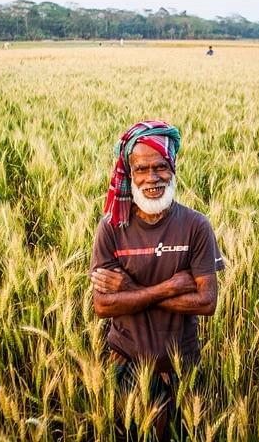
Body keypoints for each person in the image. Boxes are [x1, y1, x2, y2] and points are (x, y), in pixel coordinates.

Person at [90, 120, 224, 440]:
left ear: (173, 168)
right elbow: (103, 305)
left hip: (180, 371)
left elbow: (206, 303)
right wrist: (170, 287)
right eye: (142, 169)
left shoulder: (196, 226)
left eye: (161, 167)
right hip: (126, 367)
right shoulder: (111, 227)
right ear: (130, 174)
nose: (152, 178)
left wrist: (131, 290)